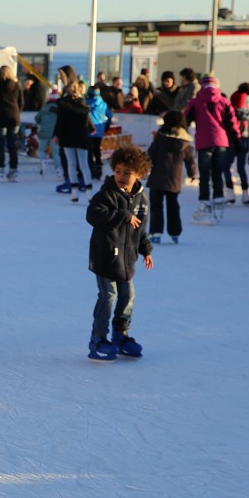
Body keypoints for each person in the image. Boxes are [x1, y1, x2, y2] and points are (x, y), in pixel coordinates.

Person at [87, 146, 153, 361]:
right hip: (105, 256)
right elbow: (93, 215)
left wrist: (146, 250)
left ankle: (120, 335)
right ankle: (98, 339)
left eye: (127, 172)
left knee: (128, 296)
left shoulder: (142, 199)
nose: (121, 177)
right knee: (108, 296)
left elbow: (140, 229)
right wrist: (123, 215)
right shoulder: (106, 194)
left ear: (139, 174)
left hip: (127, 259)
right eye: (118, 171)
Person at [184, 75, 239, 223]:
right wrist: (236, 140)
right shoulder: (224, 101)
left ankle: (204, 204)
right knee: (217, 172)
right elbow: (232, 123)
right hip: (221, 142)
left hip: (204, 141)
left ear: (203, 86)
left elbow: (185, 120)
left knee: (204, 173)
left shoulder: (196, 102)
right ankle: (219, 201)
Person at [145, 110, 196, 244]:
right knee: (173, 206)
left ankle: (156, 232)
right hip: (174, 180)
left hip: (157, 178)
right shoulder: (185, 140)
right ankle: (175, 233)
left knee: (156, 206)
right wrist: (192, 173)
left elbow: (151, 154)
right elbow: (190, 159)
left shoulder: (161, 137)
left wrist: (143, 169)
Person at [55, 80, 95, 201]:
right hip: (81, 136)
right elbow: (87, 116)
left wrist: (57, 134)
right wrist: (91, 127)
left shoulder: (63, 104)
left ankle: (74, 193)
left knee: (71, 164)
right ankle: (88, 192)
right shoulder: (83, 103)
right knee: (84, 164)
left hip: (68, 136)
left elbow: (60, 121)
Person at [225, 82, 249, 206]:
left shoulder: (232, 109)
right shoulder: (247, 111)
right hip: (245, 140)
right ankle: (245, 194)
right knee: (241, 168)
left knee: (226, 166)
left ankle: (230, 192)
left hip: (232, 141)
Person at [35, 89, 62, 177]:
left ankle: (44, 162)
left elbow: (37, 119)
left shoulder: (44, 108)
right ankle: (58, 169)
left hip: (43, 132)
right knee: (55, 152)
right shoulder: (59, 109)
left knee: (41, 150)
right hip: (54, 133)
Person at [87, 88, 112, 181]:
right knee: (97, 151)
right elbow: (109, 116)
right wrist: (106, 126)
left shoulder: (86, 103)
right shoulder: (103, 104)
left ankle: (91, 170)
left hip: (88, 131)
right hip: (99, 131)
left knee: (89, 152)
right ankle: (98, 171)